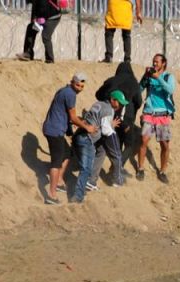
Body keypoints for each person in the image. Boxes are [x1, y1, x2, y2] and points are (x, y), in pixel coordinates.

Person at [41, 73, 95, 205]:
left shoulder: (65, 90)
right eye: (78, 85)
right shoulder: (70, 94)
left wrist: (69, 130)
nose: (80, 88)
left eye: (82, 86)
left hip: (54, 129)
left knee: (67, 154)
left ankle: (59, 181)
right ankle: (51, 195)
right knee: (56, 163)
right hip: (54, 131)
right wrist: (87, 127)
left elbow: (64, 113)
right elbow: (73, 118)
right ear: (72, 82)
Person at [71, 91, 125, 202]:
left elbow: (97, 120)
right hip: (87, 139)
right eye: (120, 103)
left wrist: (110, 125)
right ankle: (79, 195)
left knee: (102, 150)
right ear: (113, 100)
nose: (121, 106)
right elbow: (106, 131)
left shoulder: (99, 104)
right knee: (85, 169)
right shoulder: (108, 110)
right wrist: (113, 135)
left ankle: (89, 182)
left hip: (79, 135)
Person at [94, 62, 142, 185]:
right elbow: (139, 101)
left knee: (117, 143)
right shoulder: (133, 82)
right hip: (128, 116)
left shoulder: (111, 80)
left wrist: (108, 102)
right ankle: (117, 169)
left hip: (111, 115)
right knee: (129, 145)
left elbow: (98, 94)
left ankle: (114, 168)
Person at [136, 53, 175, 183]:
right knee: (144, 140)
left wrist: (158, 78)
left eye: (157, 62)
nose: (154, 64)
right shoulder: (149, 76)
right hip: (149, 114)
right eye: (153, 62)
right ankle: (140, 168)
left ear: (163, 63)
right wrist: (145, 77)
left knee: (165, 145)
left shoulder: (168, 77)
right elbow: (139, 90)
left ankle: (163, 171)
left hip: (163, 116)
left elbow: (170, 90)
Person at [102, 0, 142, 64]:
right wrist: (138, 12)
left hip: (114, 5)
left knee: (109, 33)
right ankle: (127, 58)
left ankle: (109, 56)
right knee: (126, 35)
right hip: (125, 7)